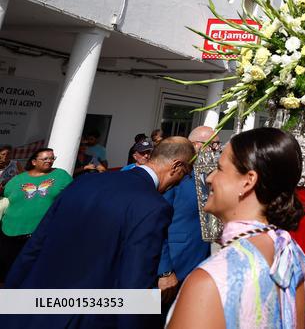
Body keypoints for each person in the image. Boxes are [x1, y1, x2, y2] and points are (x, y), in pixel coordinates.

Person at [5, 136, 194, 329]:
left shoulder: (84, 182)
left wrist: (9, 299)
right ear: (176, 165)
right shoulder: (154, 206)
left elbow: (36, 244)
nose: (180, 181)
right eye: (186, 173)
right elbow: (135, 282)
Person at [168, 127, 305, 328]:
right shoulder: (295, 259)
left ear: (248, 181)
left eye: (219, 168)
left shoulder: (209, 281)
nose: (210, 177)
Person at [156, 126, 215, 310]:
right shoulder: (176, 175)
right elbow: (158, 224)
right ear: (196, 145)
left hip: (200, 260)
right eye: (213, 144)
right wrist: (164, 270)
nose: (216, 149)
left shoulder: (209, 176)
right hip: (174, 262)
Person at [0, 148, 72, 282]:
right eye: (45, 159)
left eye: (52, 158)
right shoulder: (18, 179)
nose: (49, 161)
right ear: (34, 161)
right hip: (9, 232)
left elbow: (73, 196)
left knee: (31, 274)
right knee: (6, 272)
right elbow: (6, 196)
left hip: (40, 234)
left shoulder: (61, 175)